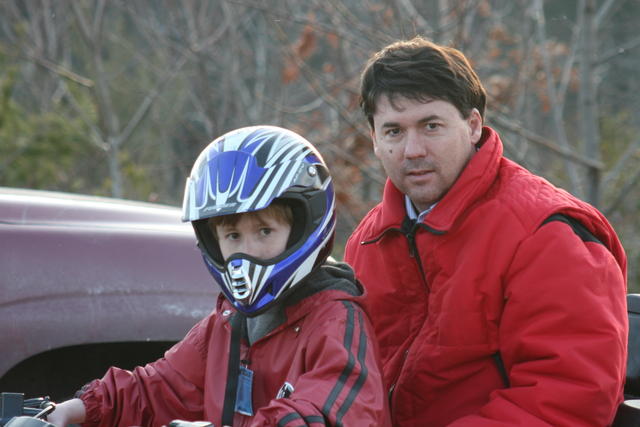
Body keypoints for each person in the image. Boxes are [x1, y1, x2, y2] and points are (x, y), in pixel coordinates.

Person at [343, 36, 628, 426]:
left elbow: (566, 400)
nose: (412, 150)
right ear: (374, 140)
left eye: (431, 126)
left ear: (473, 125)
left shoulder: (547, 235)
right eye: (393, 131)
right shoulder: (368, 240)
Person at [47, 126, 391, 427]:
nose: (248, 251)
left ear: (304, 226)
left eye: (264, 231)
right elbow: (161, 388)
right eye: (232, 237)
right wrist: (77, 409)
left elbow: (326, 414)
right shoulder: (227, 323)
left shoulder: (337, 323)